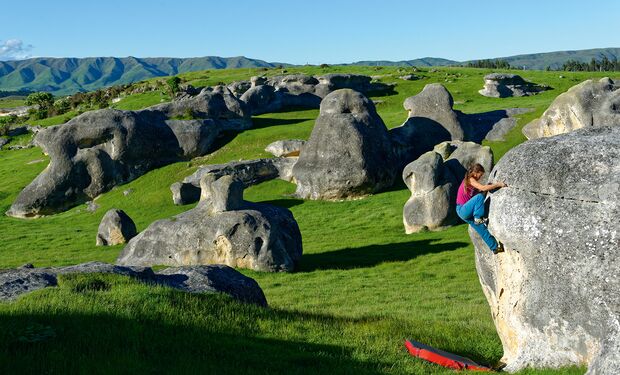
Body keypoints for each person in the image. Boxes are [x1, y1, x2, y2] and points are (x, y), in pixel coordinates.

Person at [456, 163, 506, 254]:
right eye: (480, 174)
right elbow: (483, 188)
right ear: (476, 172)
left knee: (481, 228)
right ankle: (478, 217)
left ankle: (495, 248)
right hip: (462, 209)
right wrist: (498, 184)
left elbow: (482, 191)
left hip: (464, 212)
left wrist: (488, 187)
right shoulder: (470, 179)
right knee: (479, 197)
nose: (480, 177)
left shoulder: (471, 182)